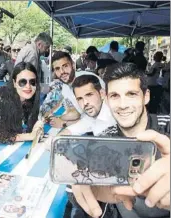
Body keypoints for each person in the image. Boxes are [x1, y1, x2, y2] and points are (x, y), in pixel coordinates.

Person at [71, 63, 170, 218]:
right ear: (107, 99)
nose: (123, 105)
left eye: (131, 94)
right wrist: (80, 187)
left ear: (146, 96)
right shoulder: (103, 141)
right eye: (115, 96)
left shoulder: (167, 127)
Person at [40, 51, 105, 129]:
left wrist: (64, 123)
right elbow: (76, 112)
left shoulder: (87, 80)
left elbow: (96, 118)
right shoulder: (65, 88)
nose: (62, 72)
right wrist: (57, 117)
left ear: (73, 65)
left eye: (65, 66)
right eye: (57, 69)